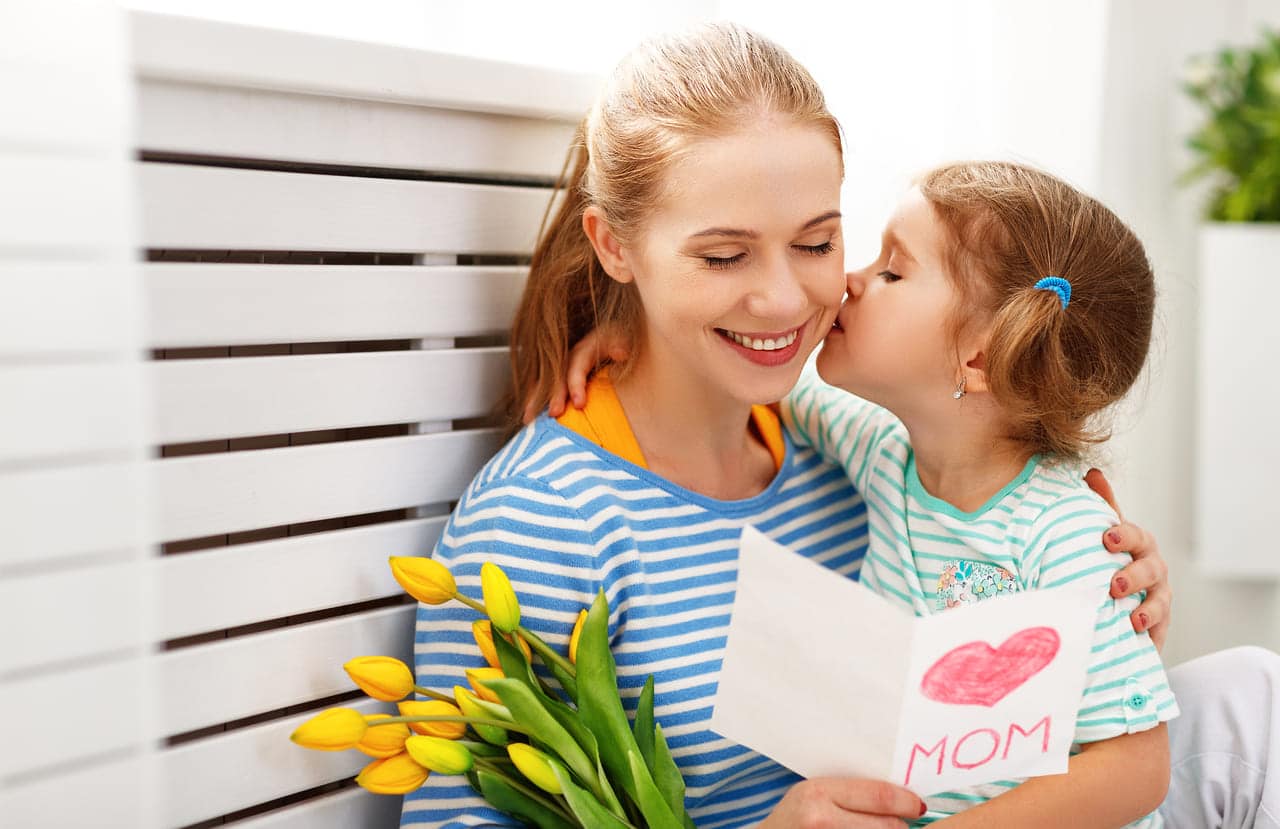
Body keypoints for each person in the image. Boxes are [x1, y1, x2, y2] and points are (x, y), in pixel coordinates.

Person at [400, 23, 1176, 828]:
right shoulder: (546, 520)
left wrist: (1110, 597)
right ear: (615, 246)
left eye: (816, 241)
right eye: (723, 258)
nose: (787, 300)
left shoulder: (859, 451)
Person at [780, 161, 1168, 825]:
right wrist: (631, 351)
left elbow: (1139, 767)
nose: (850, 279)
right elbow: (752, 374)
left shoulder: (1067, 534)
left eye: (892, 271)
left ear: (979, 360)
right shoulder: (879, 449)